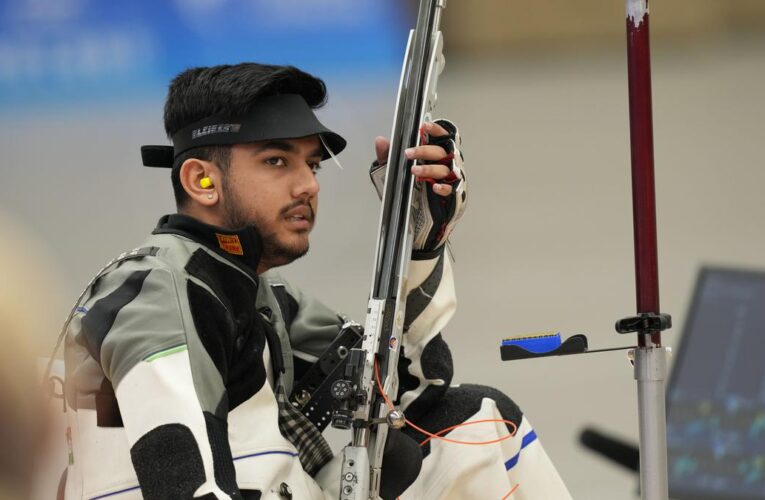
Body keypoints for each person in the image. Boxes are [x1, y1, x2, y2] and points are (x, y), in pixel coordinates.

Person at [61, 63, 570, 499]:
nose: (307, 185)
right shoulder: (163, 288)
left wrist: (421, 241)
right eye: (276, 161)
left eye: (313, 165)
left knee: (475, 419)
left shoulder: (258, 295)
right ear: (201, 180)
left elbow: (408, 400)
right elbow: (179, 484)